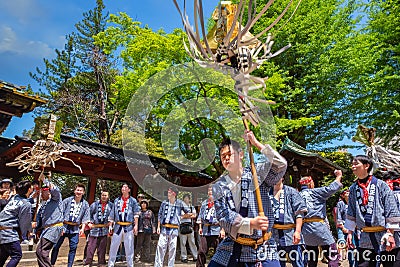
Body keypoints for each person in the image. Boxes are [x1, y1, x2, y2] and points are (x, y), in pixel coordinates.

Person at [208, 131, 288, 267]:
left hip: (263, 245)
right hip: (233, 244)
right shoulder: (218, 186)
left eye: (229, 155)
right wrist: (250, 223)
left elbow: (281, 165)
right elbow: (222, 216)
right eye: (223, 156)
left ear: (241, 155)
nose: (226, 159)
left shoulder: (256, 173)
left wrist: (256, 144)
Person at [344, 155, 400, 267]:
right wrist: (350, 233)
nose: (353, 166)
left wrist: (390, 233)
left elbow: (391, 209)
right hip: (365, 237)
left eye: (356, 163)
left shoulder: (381, 185)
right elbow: (351, 211)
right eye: (352, 164)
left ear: (366, 165)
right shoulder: (353, 188)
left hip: (385, 234)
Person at [299, 171, 342, 267]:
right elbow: (332, 188)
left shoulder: (297, 195)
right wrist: (339, 176)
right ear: (310, 183)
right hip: (319, 227)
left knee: (312, 257)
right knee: (332, 254)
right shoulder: (316, 192)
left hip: (305, 229)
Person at [269, 177, 307, 267]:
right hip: (273, 235)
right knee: (276, 264)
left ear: (282, 177)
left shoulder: (292, 192)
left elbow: (299, 213)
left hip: (291, 234)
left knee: (298, 263)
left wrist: (297, 231)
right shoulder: (266, 193)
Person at [51, 183, 90, 267]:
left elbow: (85, 218)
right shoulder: (67, 201)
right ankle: (52, 264)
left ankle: (69, 265)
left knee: (73, 248)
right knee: (56, 246)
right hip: (64, 226)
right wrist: (60, 226)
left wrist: (82, 229)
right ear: (74, 191)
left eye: (81, 190)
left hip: (75, 228)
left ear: (83, 192)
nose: (79, 192)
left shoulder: (85, 204)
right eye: (77, 190)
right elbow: (60, 213)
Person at [155, 186, 191, 267]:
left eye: (169, 192)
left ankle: (170, 265)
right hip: (164, 228)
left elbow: (189, 212)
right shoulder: (164, 203)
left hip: (174, 229)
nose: (168, 193)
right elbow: (160, 215)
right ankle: (158, 265)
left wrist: (182, 217)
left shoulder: (180, 203)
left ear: (174, 193)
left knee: (172, 249)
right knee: (160, 247)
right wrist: (158, 227)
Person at [0, 180, 33, 267]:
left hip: (2, 227)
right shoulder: (26, 204)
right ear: (29, 189)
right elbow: (24, 222)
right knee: (17, 255)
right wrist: (28, 231)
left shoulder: (14, 197)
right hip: (8, 231)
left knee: (3, 255)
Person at [108, 183, 139, 267]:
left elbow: (136, 214)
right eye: (122, 187)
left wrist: (136, 225)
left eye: (125, 187)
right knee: (114, 246)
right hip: (117, 226)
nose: (123, 188)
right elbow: (112, 213)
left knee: (129, 247)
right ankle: (110, 264)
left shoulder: (133, 201)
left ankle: (130, 264)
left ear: (129, 190)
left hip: (128, 226)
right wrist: (110, 225)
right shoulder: (117, 200)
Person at [35, 179, 64, 267]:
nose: (41, 195)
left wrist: (44, 180)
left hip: (54, 228)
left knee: (41, 250)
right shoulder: (44, 204)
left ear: (48, 192)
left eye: (42, 193)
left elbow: (55, 190)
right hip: (46, 229)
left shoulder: (56, 199)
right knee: (41, 251)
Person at [196, 184, 225, 267]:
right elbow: (200, 216)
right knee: (201, 250)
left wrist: (222, 229)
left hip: (216, 229)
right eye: (209, 190)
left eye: (212, 190)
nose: (210, 192)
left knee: (218, 251)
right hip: (205, 229)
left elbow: (223, 217)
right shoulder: (205, 203)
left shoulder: (220, 202)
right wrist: (200, 227)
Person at [84, 190, 113, 267]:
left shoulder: (111, 205)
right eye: (103, 195)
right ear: (101, 196)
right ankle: (88, 262)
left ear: (108, 196)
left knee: (102, 247)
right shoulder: (94, 204)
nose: (104, 197)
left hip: (104, 228)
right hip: (94, 228)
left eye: (106, 195)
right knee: (91, 247)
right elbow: (88, 214)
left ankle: (101, 262)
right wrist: (89, 223)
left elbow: (113, 215)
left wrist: (111, 223)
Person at [179, 193, 198, 263]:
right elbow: (180, 216)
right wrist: (188, 215)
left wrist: (185, 216)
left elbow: (194, 215)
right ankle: (184, 257)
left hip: (190, 226)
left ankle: (195, 256)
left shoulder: (191, 207)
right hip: (182, 226)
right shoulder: (180, 207)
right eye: (185, 198)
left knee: (192, 242)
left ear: (189, 199)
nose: (186, 199)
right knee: (183, 242)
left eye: (187, 198)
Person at [135, 198, 155, 263]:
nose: (143, 205)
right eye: (142, 203)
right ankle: (137, 257)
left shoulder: (150, 212)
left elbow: (153, 221)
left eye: (145, 203)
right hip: (140, 230)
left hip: (148, 230)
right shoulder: (138, 212)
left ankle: (147, 257)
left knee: (147, 244)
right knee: (139, 244)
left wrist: (154, 228)